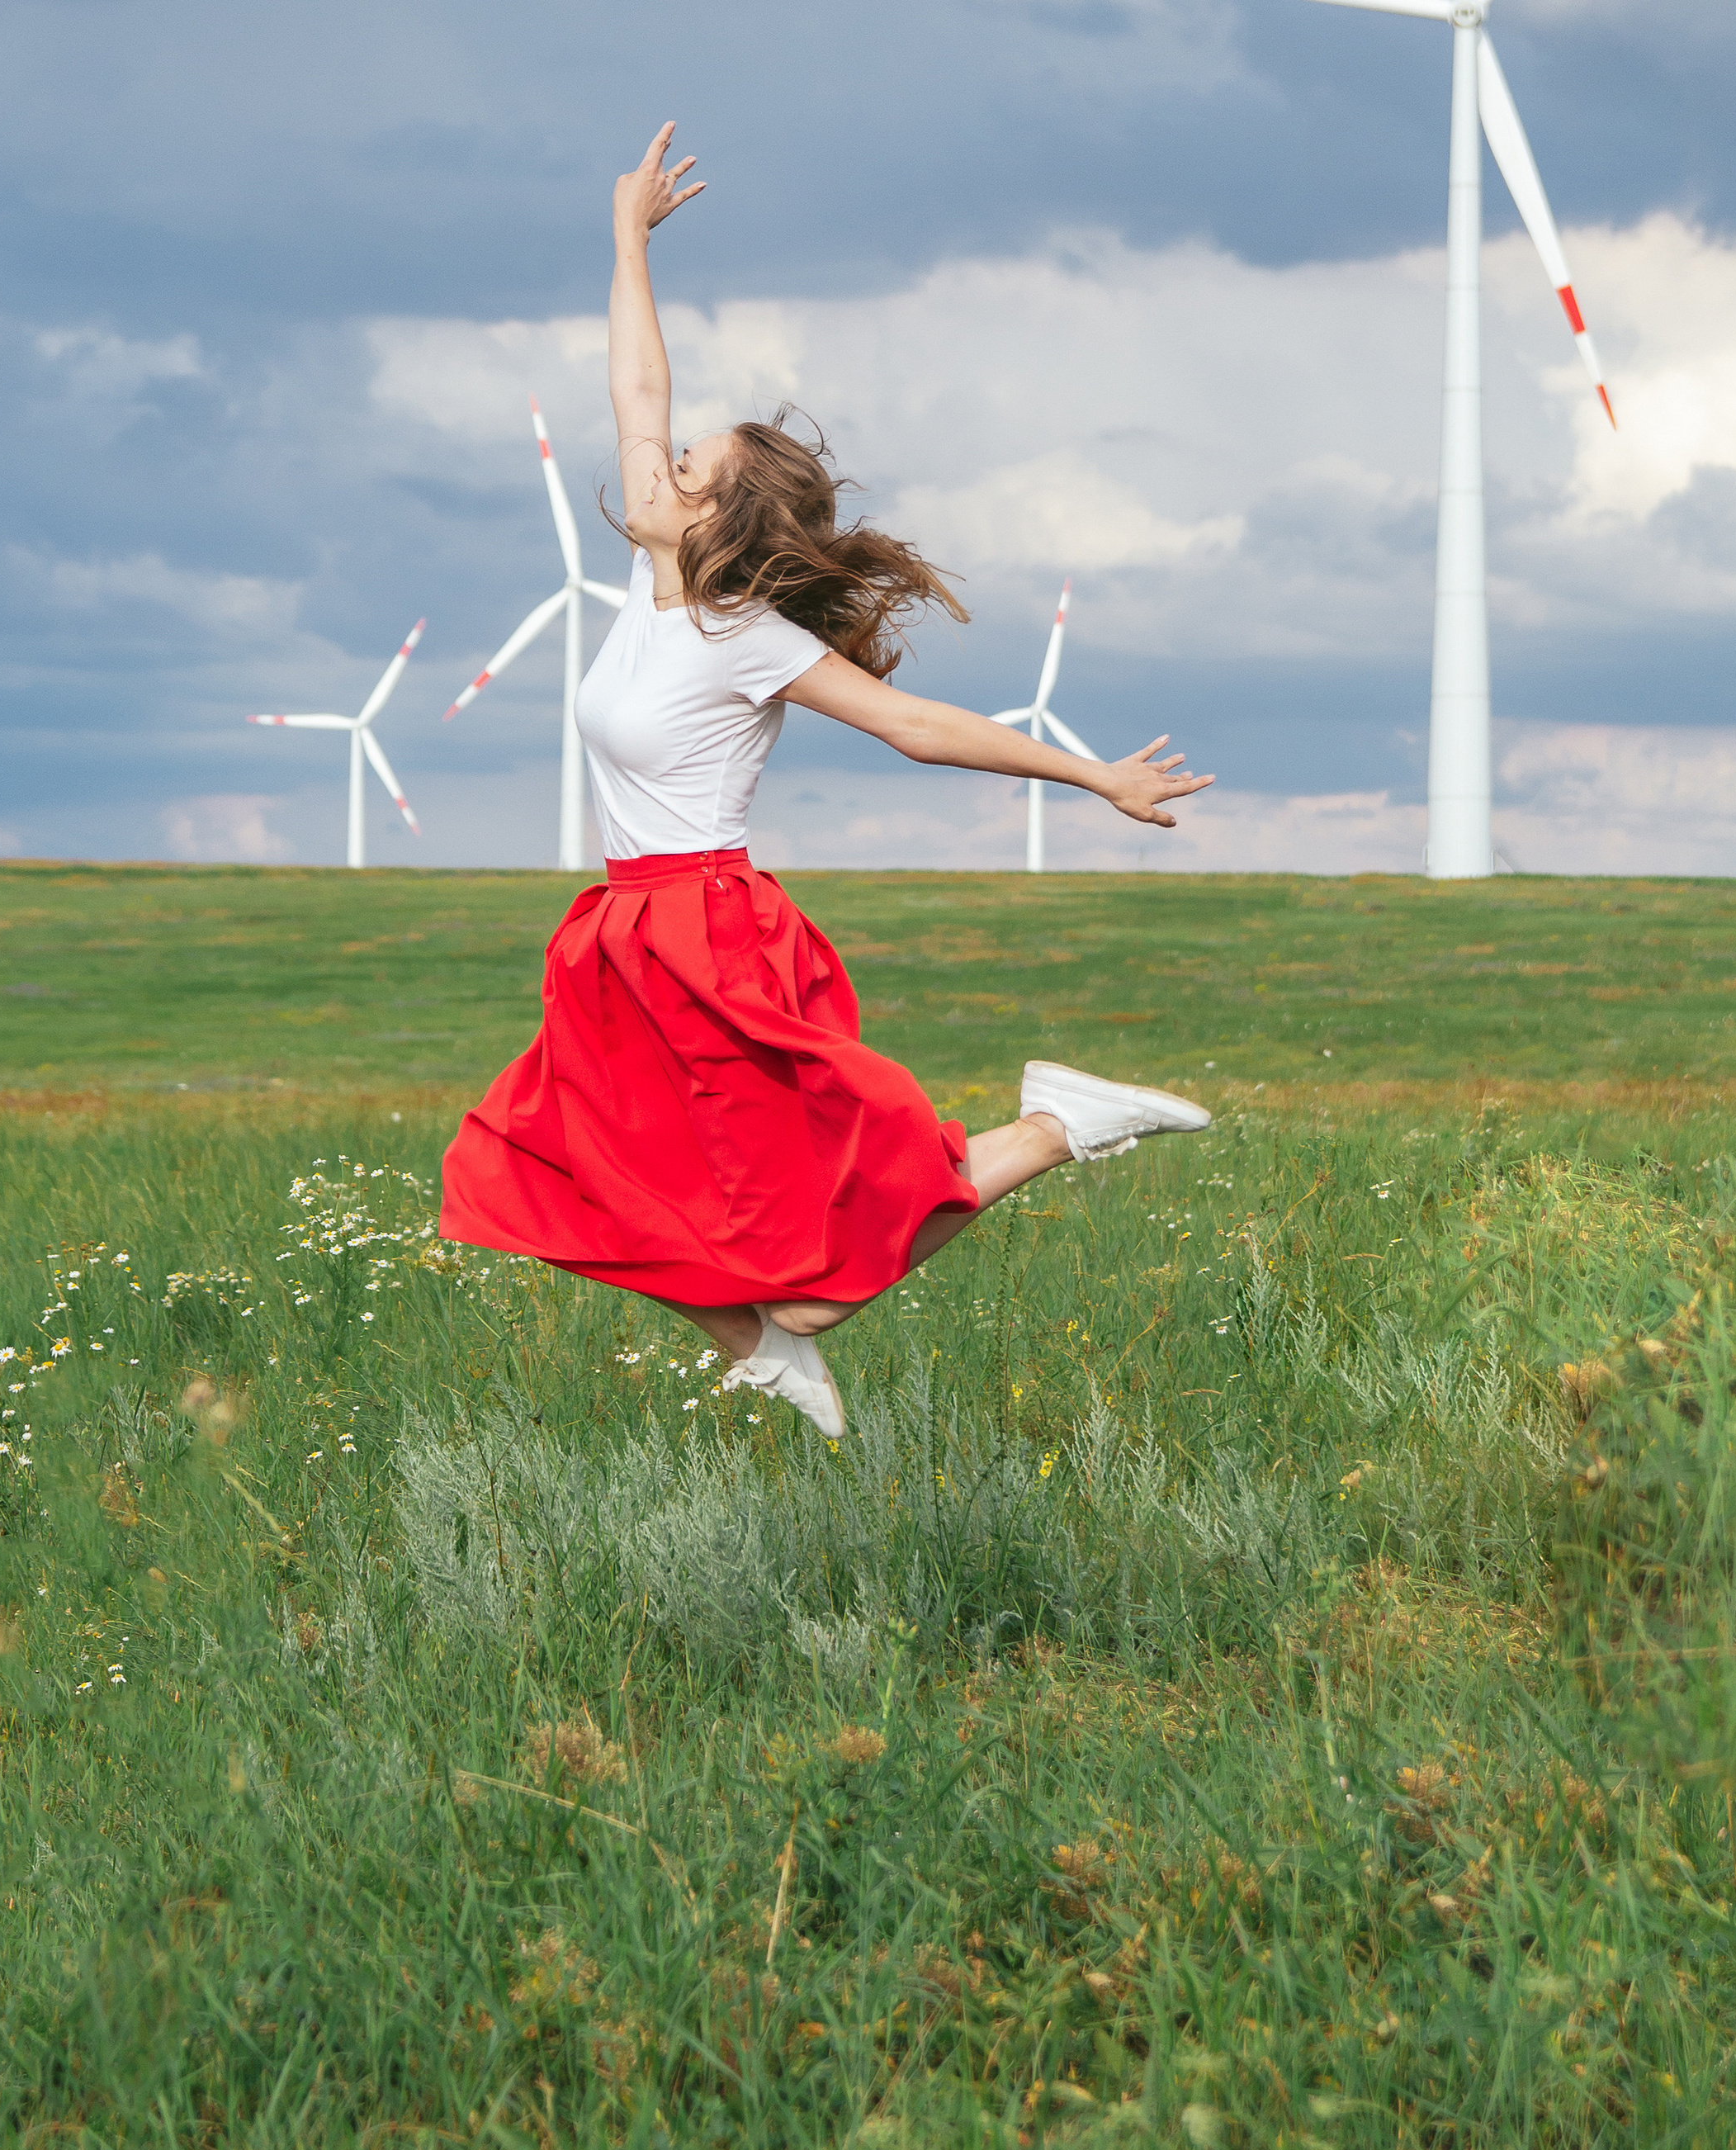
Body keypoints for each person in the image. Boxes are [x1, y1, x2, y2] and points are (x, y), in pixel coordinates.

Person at [440, 126, 1215, 1436]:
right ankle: (770, 1344)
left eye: (688, 471)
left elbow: (913, 724)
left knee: (801, 1280)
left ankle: (1048, 1134)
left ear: (722, 524)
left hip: (708, 941)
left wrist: (1090, 775)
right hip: (621, 940)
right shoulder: (649, 563)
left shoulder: (751, 638)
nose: (659, 465)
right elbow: (639, 387)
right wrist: (626, 237)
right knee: (534, 1169)